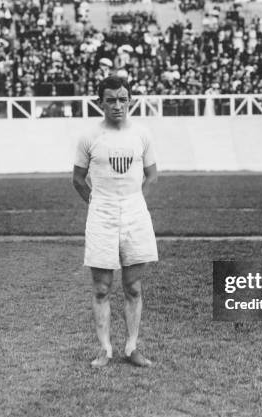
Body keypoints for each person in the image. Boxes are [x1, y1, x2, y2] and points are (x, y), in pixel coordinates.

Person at [72, 75, 158, 368]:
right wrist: (97, 204)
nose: (118, 105)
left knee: (133, 286)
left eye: (123, 99)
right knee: (101, 287)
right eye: (111, 100)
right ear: (101, 103)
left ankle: (132, 347)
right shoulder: (89, 137)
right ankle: (105, 350)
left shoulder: (142, 134)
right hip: (102, 214)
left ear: (130, 100)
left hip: (134, 212)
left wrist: (138, 200)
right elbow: (77, 179)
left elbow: (153, 173)